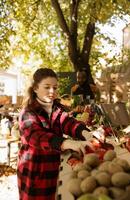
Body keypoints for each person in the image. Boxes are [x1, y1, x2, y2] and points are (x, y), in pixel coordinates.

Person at [17, 67, 95, 200]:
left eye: (55, 87)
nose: (52, 91)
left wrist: (86, 133)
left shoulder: (56, 109)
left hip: (53, 170)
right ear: (35, 88)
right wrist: (66, 142)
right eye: (47, 87)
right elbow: (37, 136)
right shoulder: (27, 113)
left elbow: (68, 123)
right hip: (35, 175)